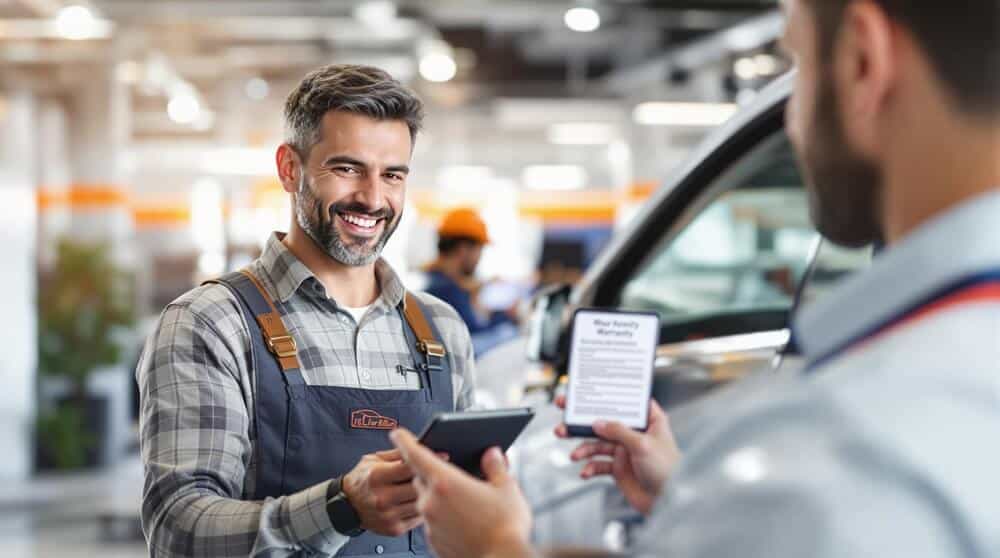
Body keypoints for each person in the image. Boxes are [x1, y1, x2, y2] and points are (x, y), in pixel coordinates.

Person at [390, 0, 1000, 556]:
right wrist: (681, 495)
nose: (793, 122)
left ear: (863, 62)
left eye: (801, 65)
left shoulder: (832, 455)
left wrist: (495, 547)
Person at [136, 64, 477, 557]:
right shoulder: (212, 323)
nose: (373, 198)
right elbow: (179, 527)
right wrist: (341, 507)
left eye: (393, 175)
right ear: (289, 168)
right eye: (347, 168)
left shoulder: (441, 329)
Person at [424, 208, 518, 356]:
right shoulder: (446, 291)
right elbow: (473, 339)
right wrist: (507, 317)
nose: (480, 258)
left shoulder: (438, 282)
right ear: (463, 249)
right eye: (479, 250)